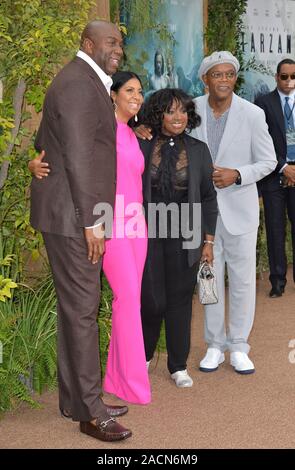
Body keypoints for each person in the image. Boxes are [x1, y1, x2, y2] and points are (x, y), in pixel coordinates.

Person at [29, 20, 132, 442]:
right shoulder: (77, 81)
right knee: (85, 310)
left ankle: (77, 399)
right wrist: (92, 222)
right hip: (75, 220)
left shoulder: (87, 80)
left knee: (78, 310)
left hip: (73, 215)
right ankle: (91, 413)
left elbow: (45, 141)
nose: (118, 49)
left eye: (120, 44)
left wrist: (36, 164)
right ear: (88, 43)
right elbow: (75, 156)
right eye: (111, 42)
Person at [29, 72, 151, 405]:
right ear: (112, 95)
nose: (137, 95)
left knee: (130, 302)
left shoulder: (133, 133)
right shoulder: (101, 131)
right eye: (129, 90)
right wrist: (35, 164)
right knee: (127, 300)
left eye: (140, 91)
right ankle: (131, 384)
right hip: (109, 224)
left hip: (137, 225)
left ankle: (116, 378)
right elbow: (67, 154)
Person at [192, 51, 276, 374]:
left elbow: (268, 161)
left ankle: (239, 345)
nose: (224, 80)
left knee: (242, 280)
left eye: (229, 74)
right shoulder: (192, 110)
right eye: (217, 75)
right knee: (208, 278)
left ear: (235, 79)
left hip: (240, 210)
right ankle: (214, 344)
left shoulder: (253, 114)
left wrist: (237, 175)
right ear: (205, 80)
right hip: (203, 213)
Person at [139, 88, 218, 387]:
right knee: (150, 298)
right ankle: (144, 357)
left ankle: (177, 365)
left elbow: (209, 199)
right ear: (158, 114)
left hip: (186, 233)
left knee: (180, 299)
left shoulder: (198, 151)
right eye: (171, 111)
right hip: (147, 231)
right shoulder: (143, 144)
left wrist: (208, 242)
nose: (178, 117)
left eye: (183, 111)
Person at [255, 59, 295, 298]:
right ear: (276, 77)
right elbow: (260, 141)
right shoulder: (263, 103)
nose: (289, 81)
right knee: (275, 229)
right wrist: (283, 167)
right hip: (274, 175)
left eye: (293, 76)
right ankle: (277, 280)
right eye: (284, 76)